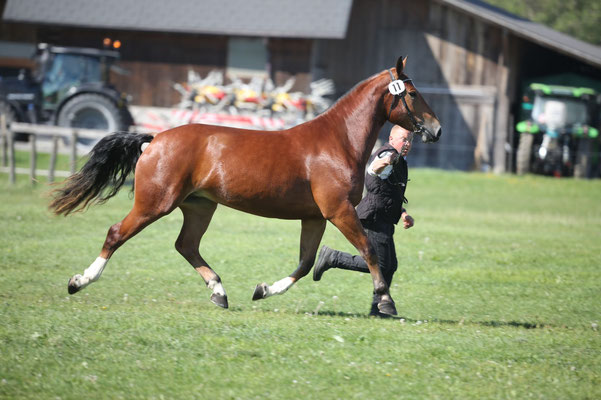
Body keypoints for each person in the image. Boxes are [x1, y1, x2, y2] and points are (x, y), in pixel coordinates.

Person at [313, 125, 415, 317]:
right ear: (392, 139)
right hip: (374, 216)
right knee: (382, 265)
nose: (407, 143)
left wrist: (403, 213)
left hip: (384, 216)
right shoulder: (387, 153)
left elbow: (389, 192)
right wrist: (385, 162)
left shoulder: (401, 159)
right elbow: (373, 170)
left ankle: (379, 310)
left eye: (410, 140)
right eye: (404, 139)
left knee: (390, 265)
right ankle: (332, 258)